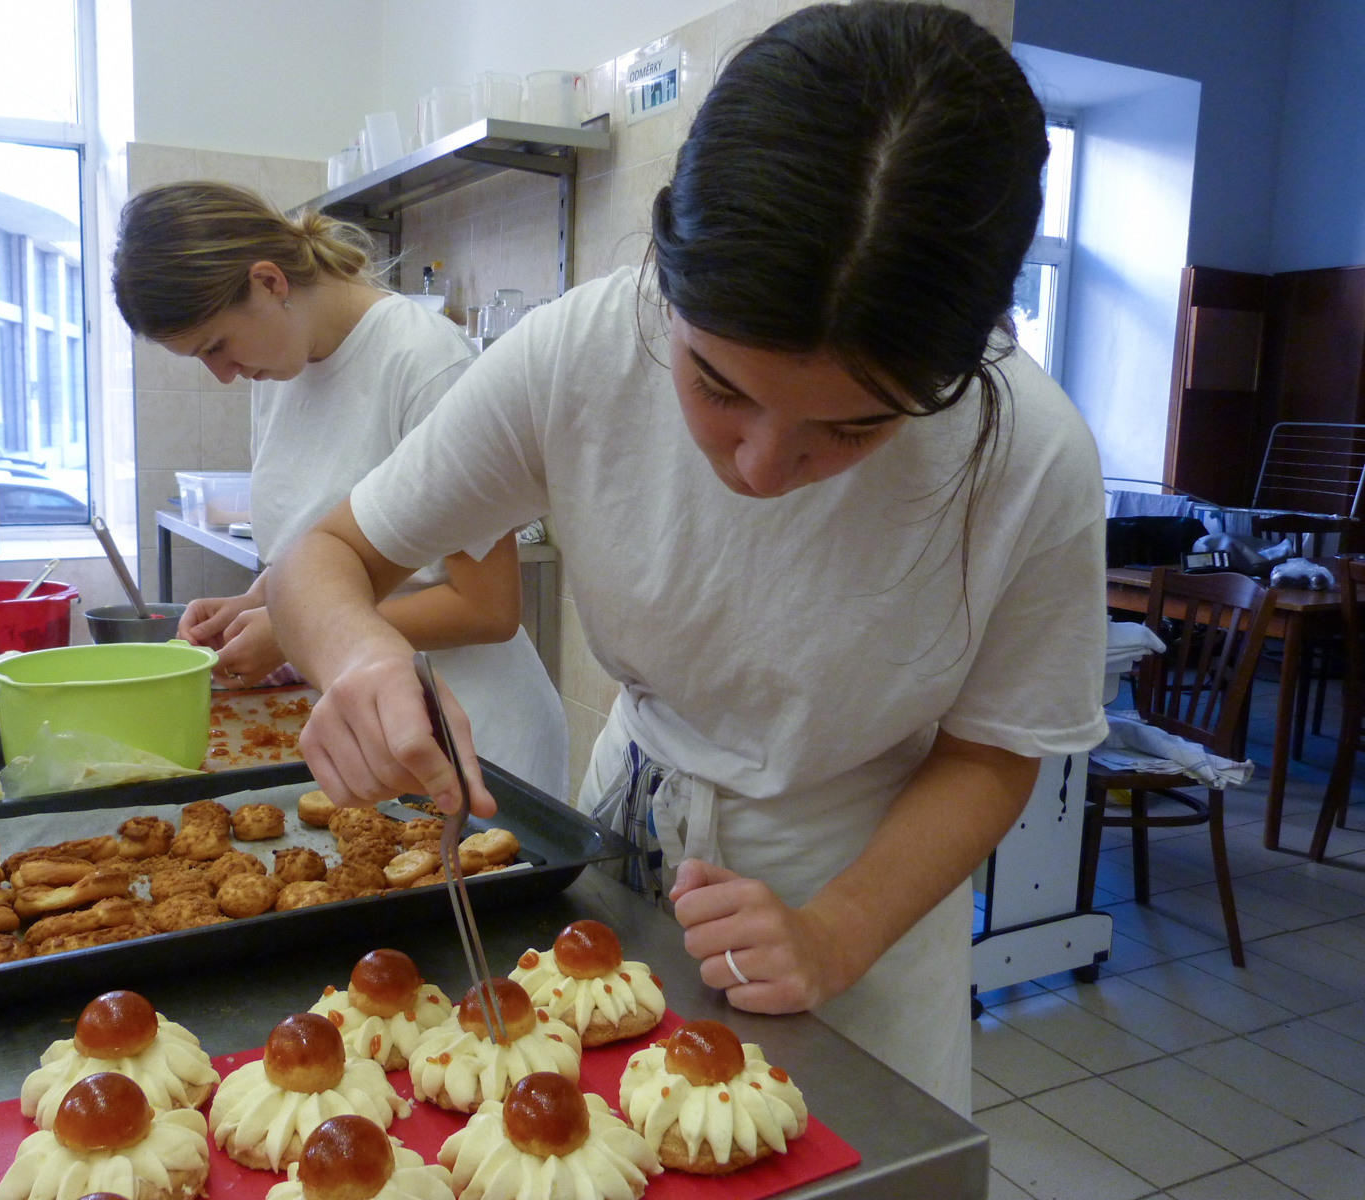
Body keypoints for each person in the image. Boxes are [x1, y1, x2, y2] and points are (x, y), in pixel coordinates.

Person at [262, 0, 1107, 1116]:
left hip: (859, 885)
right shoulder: (582, 351)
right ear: (666, 275)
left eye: (852, 428)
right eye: (716, 387)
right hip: (630, 832)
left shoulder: (1030, 456)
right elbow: (323, 558)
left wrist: (835, 931)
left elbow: (995, 748)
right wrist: (361, 656)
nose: (761, 465)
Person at [110, 183, 568, 799]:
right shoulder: (276, 373)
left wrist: (297, 631)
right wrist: (253, 604)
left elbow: (487, 608)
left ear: (269, 282)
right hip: (368, 734)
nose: (222, 375)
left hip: (471, 736)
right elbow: (318, 548)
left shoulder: (423, 361)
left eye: (217, 346)